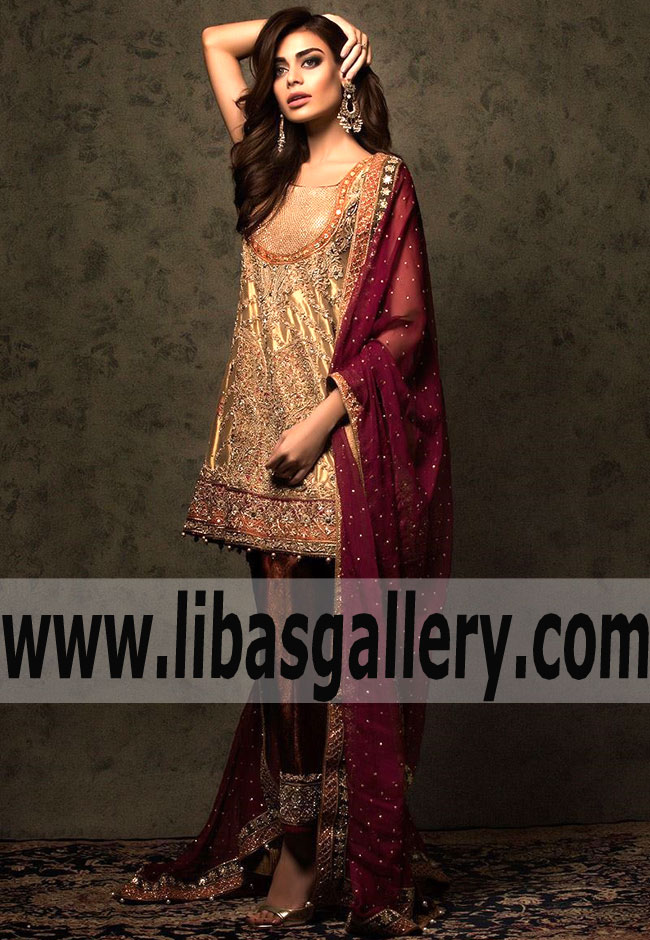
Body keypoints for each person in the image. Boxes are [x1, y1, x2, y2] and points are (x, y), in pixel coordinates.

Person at [112, 8, 454, 936]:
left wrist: (319, 423)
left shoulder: (382, 181)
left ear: (347, 75)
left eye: (313, 60)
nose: (292, 78)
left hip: (334, 440)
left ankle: (349, 845)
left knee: (339, 652)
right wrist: (324, 18)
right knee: (283, 656)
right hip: (254, 449)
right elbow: (213, 41)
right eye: (281, 67)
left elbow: (405, 330)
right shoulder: (263, 165)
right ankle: (299, 843)